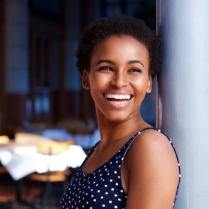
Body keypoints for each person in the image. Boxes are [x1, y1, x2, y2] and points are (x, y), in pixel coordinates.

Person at [60, 15, 180, 209]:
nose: (119, 82)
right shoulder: (97, 151)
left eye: (134, 70)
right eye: (106, 68)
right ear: (86, 78)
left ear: (149, 82)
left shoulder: (149, 145)